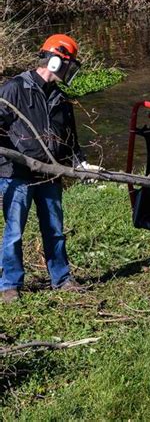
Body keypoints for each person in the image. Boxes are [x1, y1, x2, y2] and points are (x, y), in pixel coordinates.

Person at [0, 34, 100, 303]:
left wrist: (79, 162)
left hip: (51, 173)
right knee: (14, 232)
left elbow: (70, 138)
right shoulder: (14, 88)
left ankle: (62, 278)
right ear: (55, 60)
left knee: (54, 229)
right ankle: (9, 284)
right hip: (16, 174)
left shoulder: (61, 99)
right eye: (68, 65)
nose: (70, 71)